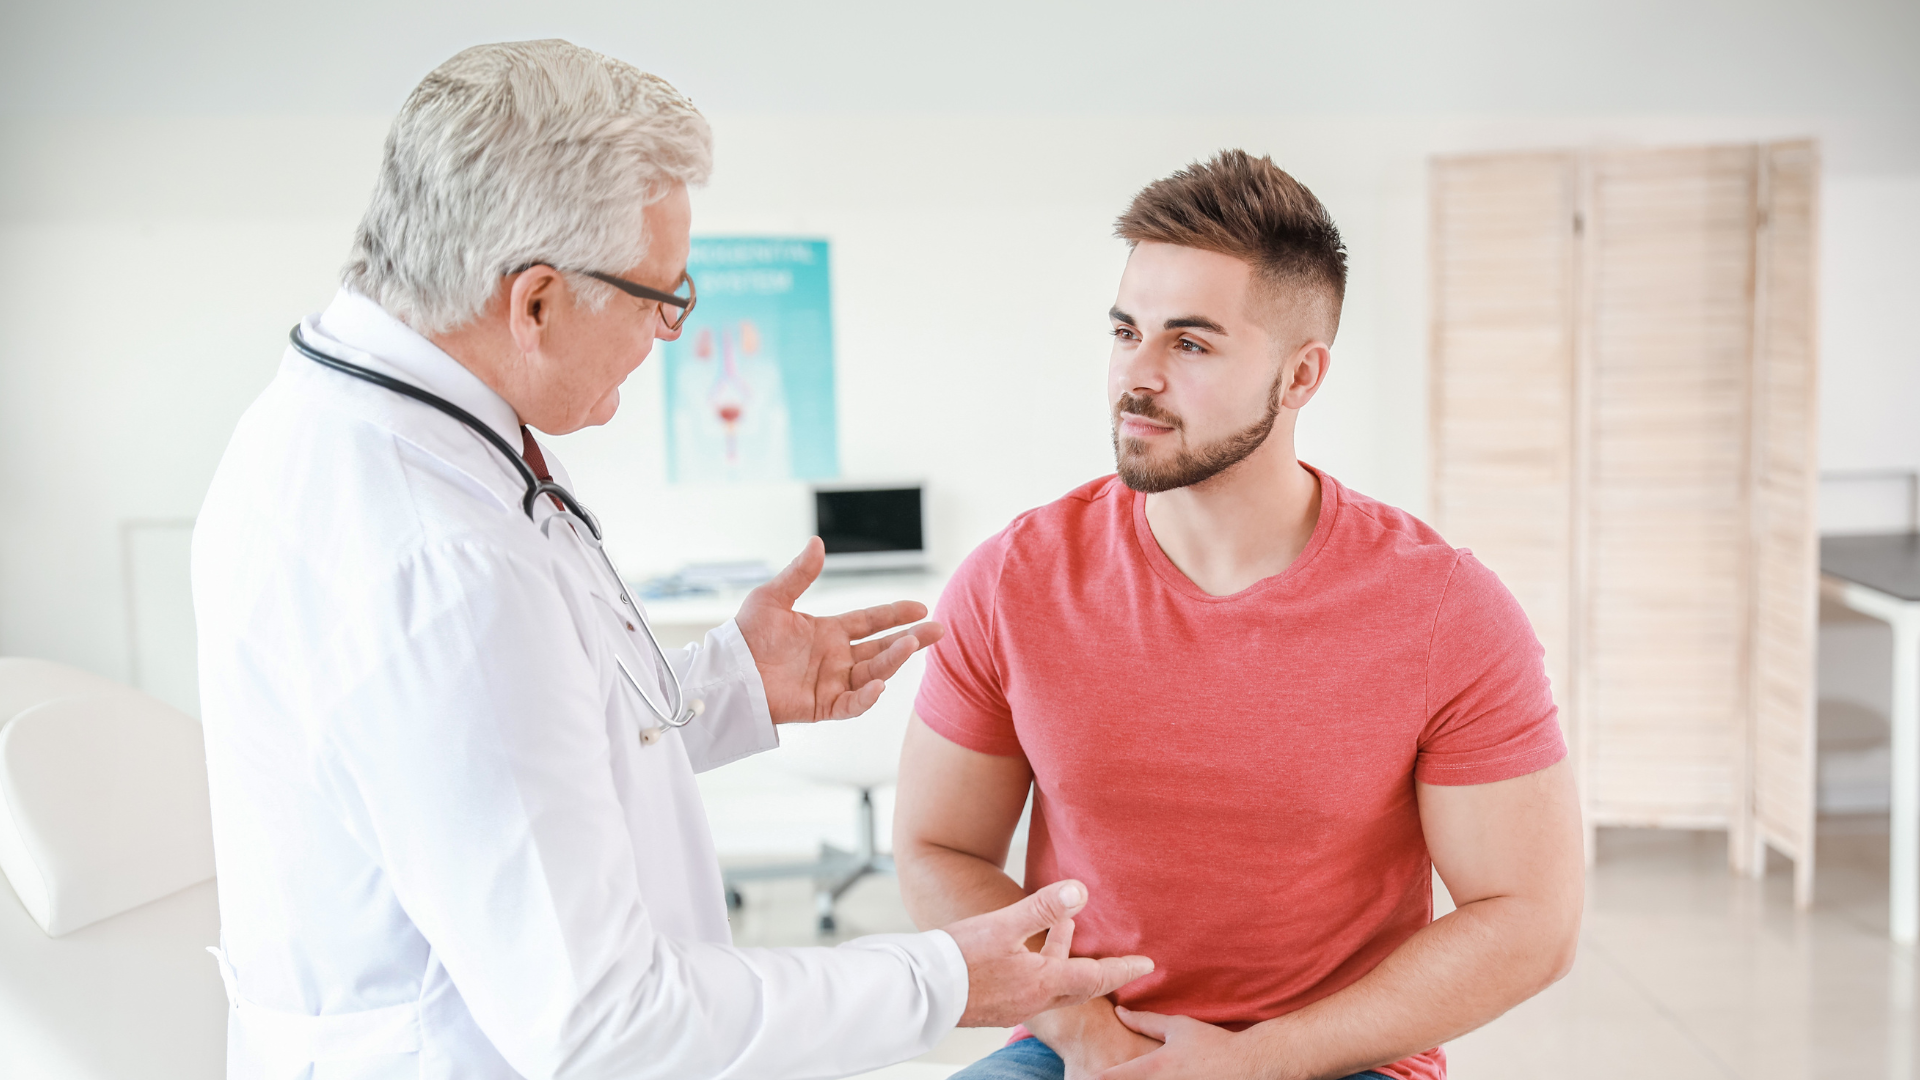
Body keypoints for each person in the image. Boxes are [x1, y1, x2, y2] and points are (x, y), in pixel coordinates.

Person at [192, 40, 1149, 1080]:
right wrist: (945, 980)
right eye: (662, 296)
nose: (669, 331)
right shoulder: (441, 556)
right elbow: (607, 1026)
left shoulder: (358, 425)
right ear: (537, 302)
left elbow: (487, 766)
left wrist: (721, 688)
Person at [892, 150, 1584, 1080]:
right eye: (1126, 330)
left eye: (1189, 343)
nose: (1136, 376)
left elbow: (1531, 919)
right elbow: (938, 846)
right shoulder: (1014, 581)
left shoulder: (1443, 610)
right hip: (1078, 1046)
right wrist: (1087, 1031)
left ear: (1301, 378)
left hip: (1338, 1061)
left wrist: (1264, 1060)